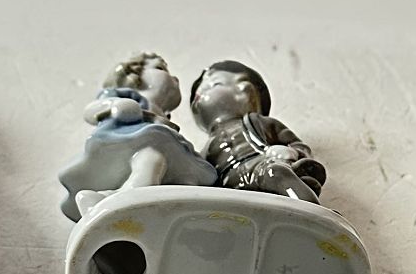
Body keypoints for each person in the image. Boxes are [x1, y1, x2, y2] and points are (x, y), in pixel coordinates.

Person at [56, 53, 219, 220]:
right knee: (151, 159)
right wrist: (115, 105)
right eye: (160, 68)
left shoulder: (164, 117)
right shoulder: (127, 95)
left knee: (185, 178)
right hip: (134, 138)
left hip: (171, 147)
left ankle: (180, 211)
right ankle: (124, 201)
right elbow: (91, 110)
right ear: (133, 74)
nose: (175, 79)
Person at [189, 60, 326, 204]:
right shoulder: (205, 149)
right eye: (199, 92)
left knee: (274, 173)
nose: (201, 91)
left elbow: (297, 144)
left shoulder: (257, 122)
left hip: (260, 165)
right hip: (228, 184)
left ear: (245, 91)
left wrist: (292, 152)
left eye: (215, 84)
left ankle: (311, 210)